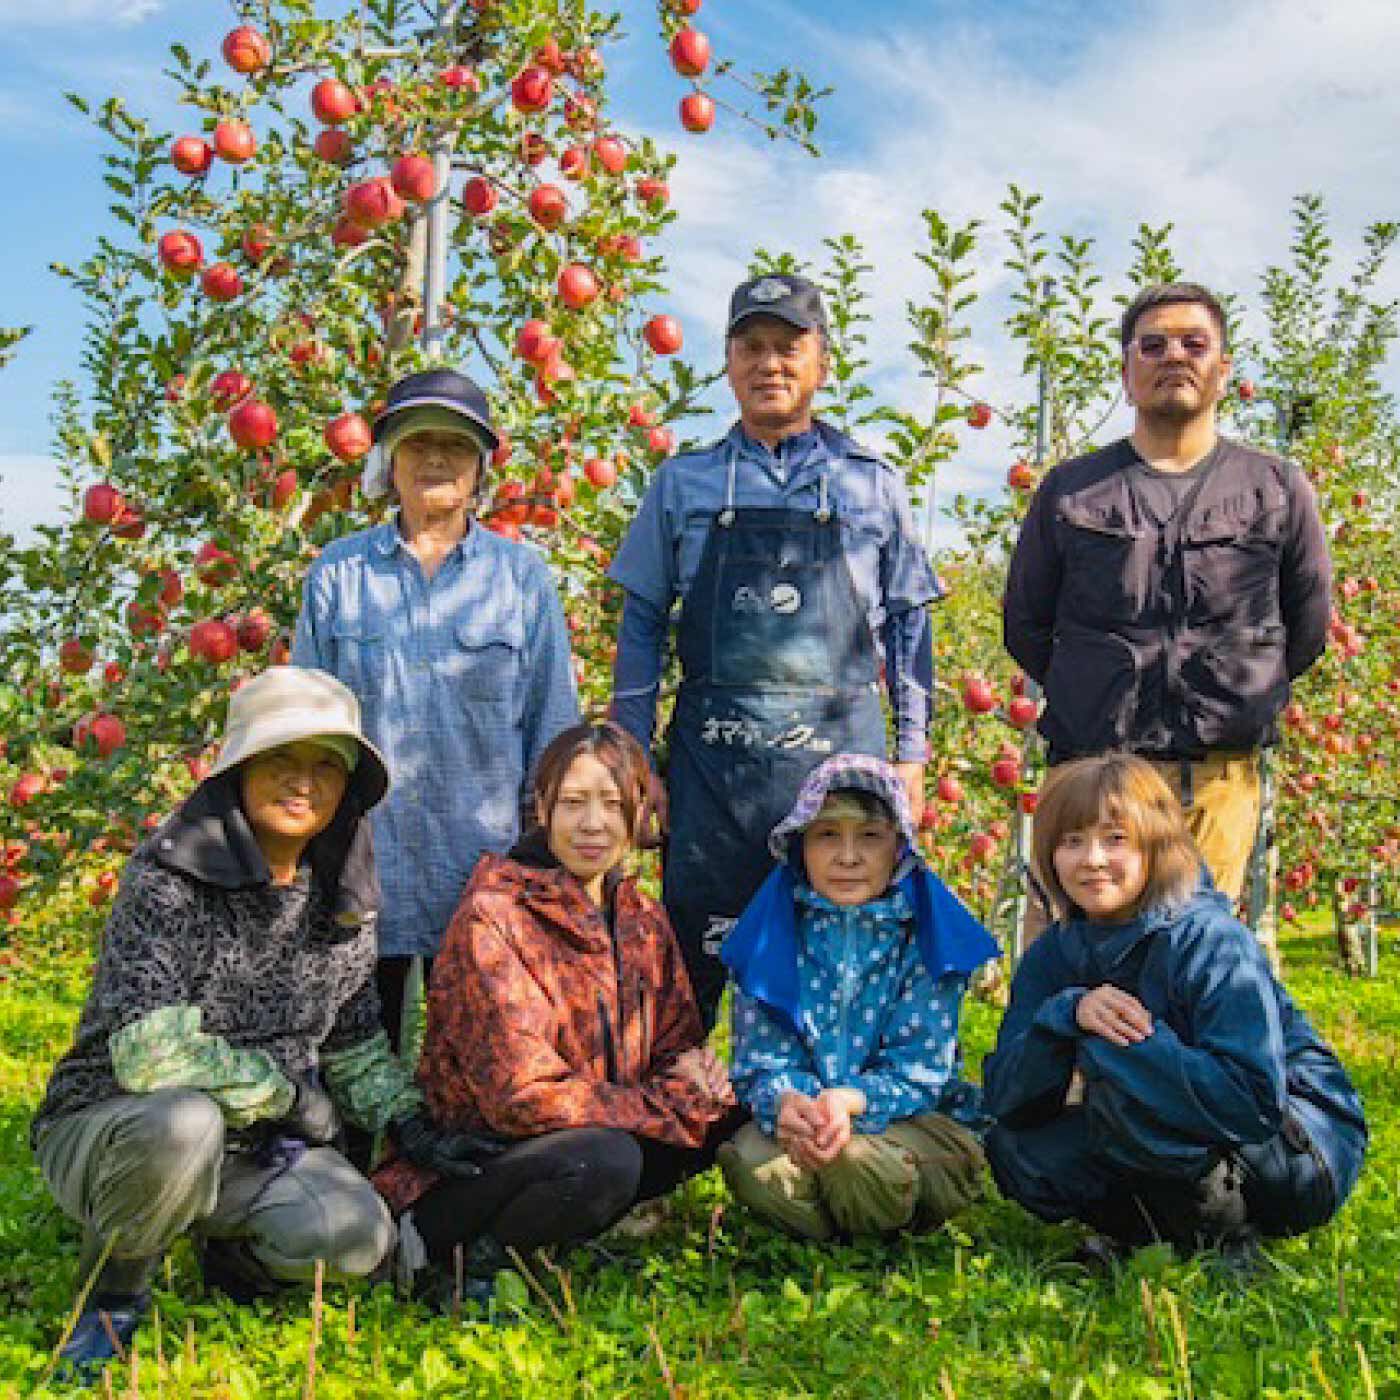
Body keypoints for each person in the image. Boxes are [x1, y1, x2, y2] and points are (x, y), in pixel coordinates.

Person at [31, 668, 482, 1382]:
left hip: (257, 1151)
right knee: (183, 1123)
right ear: (239, 768)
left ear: (346, 790)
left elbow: (353, 1041)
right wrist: (290, 1097)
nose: (304, 782)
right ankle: (111, 1300)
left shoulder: (342, 901)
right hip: (120, 1125)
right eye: (281, 759)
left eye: (325, 767)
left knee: (356, 1240)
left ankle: (228, 1250)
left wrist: (412, 1122)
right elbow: (150, 1056)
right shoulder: (168, 881)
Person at [609, 273, 942, 1024]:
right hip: (712, 773)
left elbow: (909, 627)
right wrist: (631, 756)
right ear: (727, 363)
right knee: (685, 992)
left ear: (821, 361)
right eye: (750, 347)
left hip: (837, 775)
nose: (770, 364)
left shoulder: (871, 484)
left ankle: (825, 1134)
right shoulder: (682, 482)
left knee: (838, 985)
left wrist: (913, 756)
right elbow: (642, 624)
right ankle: (676, 1136)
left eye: (788, 347)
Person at [372, 720, 741, 1305]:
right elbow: (520, 1097)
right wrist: (665, 1107)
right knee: (609, 1157)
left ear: (638, 813)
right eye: (573, 803)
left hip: (592, 1131)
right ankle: (454, 1259)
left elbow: (676, 1044)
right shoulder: (496, 914)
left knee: (730, 1111)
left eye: (613, 804)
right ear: (542, 807)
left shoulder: (641, 917)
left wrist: (698, 1081)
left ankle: (562, 1231)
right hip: (480, 1163)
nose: (593, 823)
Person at [1003, 281, 1331, 921]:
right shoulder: (1072, 491)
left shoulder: (1275, 489)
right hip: (1093, 773)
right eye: (1151, 346)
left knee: (1198, 967)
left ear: (1223, 369)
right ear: (1127, 372)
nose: (1172, 356)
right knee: (1075, 968)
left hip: (1215, 777)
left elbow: (1307, 626)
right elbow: (1027, 623)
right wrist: (1098, 689)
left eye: (1193, 344)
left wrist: (1231, 692)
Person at [293, 367, 580, 1054]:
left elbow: (553, 726)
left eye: (456, 445)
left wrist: (546, 859)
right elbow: (307, 723)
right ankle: (360, 1164)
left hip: (484, 874)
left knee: (481, 1065)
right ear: (389, 460)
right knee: (355, 1064)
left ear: (481, 467)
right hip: (366, 869)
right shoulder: (339, 574)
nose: (436, 458)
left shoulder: (522, 580)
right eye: (417, 443)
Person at [982, 754, 1367, 1261]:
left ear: (1156, 845)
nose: (1092, 859)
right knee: (1018, 1149)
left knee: (1112, 1056)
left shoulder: (1210, 941)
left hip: (1297, 1150)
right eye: (1072, 841)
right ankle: (1151, 1232)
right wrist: (1063, 1018)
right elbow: (1007, 1098)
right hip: (1195, 1134)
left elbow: (1252, 1100)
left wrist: (1127, 1049)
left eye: (1114, 839)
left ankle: (1218, 1235)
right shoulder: (1054, 953)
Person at [716, 754, 998, 1241]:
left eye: (869, 836)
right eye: (827, 835)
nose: (848, 856)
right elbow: (762, 1053)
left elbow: (920, 1067)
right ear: (800, 846)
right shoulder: (773, 934)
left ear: (899, 849)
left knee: (859, 1164)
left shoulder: (926, 935)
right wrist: (789, 1102)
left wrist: (850, 1101)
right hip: (811, 1121)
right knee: (753, 1165)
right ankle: (839, 1237)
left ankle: (874, 1230)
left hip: (915, 1124)